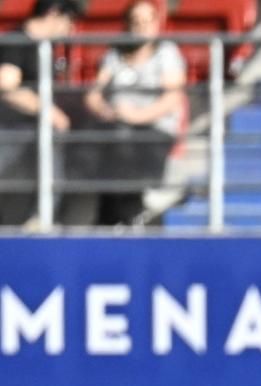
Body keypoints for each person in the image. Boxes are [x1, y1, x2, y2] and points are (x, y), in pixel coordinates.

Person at [83, 0, 185, 225]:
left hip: (154, 130)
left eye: (147, 21)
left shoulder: (167, 53)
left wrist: (135, 117)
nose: (142, 27)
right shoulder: (115, 53)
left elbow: (172, 98)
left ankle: (122, 215)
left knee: (121, 140)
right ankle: (126, 215)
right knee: (104, 139)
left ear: (157, 23)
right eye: (135, 21)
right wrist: (106, 111)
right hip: (116, 128)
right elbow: (93, 95)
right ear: (126, 24)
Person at [0, 0, 82, 227]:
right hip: (9, 129)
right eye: (69, 20)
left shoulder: (43, 47)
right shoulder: (19, 39)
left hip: (30, 136)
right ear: (54, 13)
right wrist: (49, 112)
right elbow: (7, 82)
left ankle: (39, 220)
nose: (70, 28)